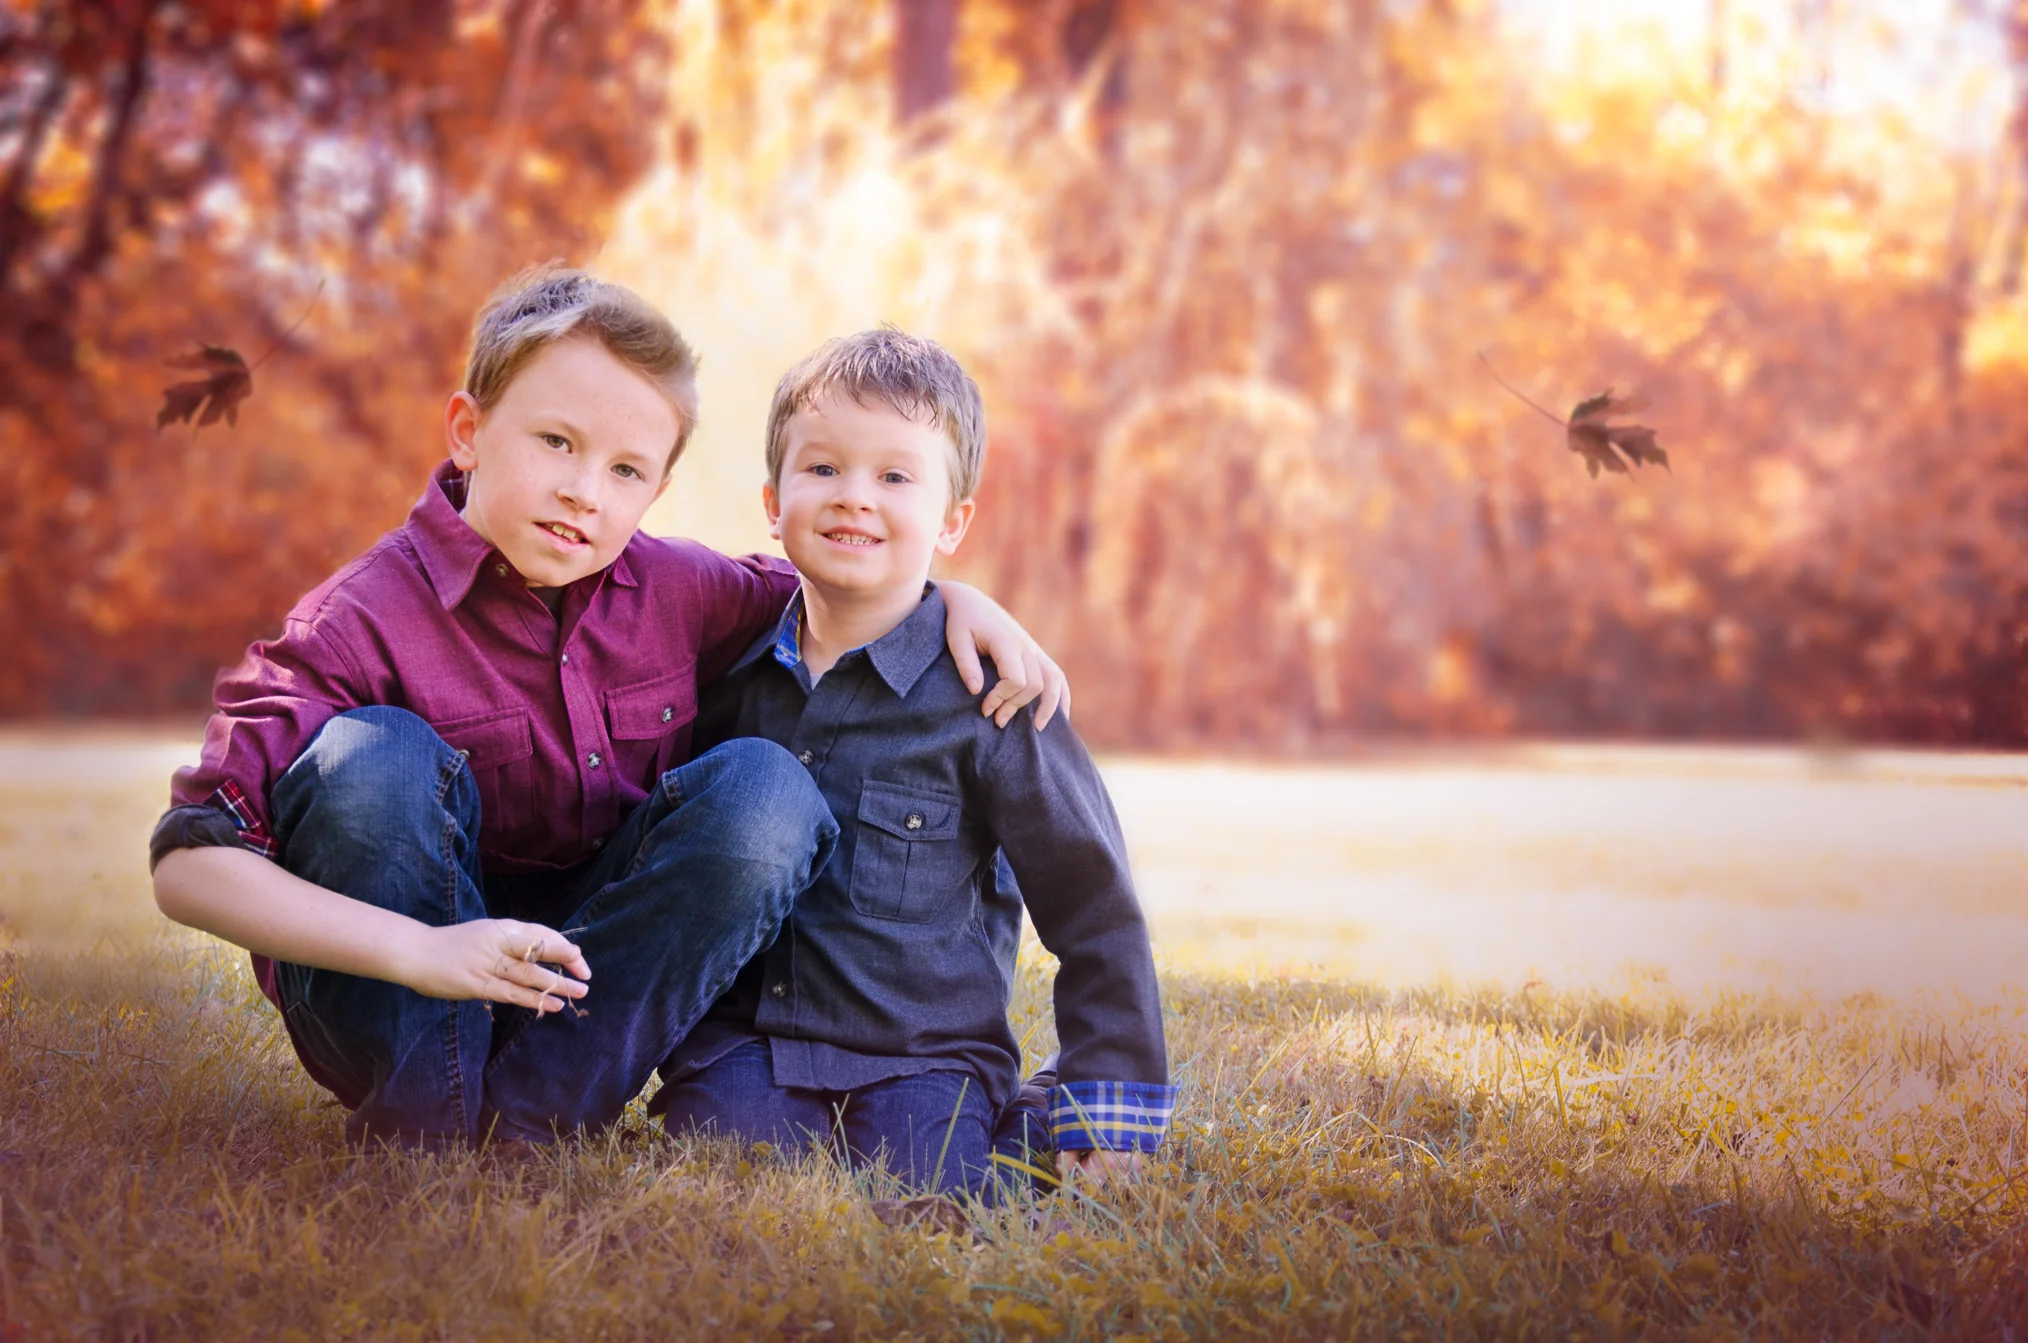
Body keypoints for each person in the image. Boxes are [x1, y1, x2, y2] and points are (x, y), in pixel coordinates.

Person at [148, 268, 1067, 1151]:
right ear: (469, 430)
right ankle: (421, 1121)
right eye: (556, 442)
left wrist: (952, 599)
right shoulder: (355, 621)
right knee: (371, 755)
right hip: (402, 976)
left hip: (588, 987)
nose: (584, 491)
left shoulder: (680, 590)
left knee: (766, 790)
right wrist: (424, 951)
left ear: (656, 490)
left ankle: (531, 1118)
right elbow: (190, 865)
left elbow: (848, 581)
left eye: (626, 469)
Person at [653, 328, 1173, 1199]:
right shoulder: (727, 677)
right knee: (731, 1173)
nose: (854, 497)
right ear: (774, 502)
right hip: (751, 1045)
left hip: (923, 1054)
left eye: (895, 477)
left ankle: (1043, 1106)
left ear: (952, 520)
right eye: (823, 468)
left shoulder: (993, 697)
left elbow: (1095, 903)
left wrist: (1107, 1101)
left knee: (934, 1194)